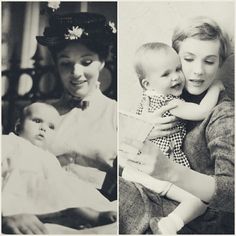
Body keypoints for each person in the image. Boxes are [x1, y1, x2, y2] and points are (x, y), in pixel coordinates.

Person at [119, 16, 234, 234]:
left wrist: (170, 171)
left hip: (189, 216)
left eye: (209, 61)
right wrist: (144, 130)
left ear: (220, 64)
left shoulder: (223, 115)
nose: (197, 71)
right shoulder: (167, 95)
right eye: (188, 60)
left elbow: (231, 191)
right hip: (146, 188)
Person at [2, 102, 116, 234]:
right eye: (37, 121)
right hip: (18, 189)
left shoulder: (48, 157)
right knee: (45, 184)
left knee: (69, 184)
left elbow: (60, 179)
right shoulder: (9, 141)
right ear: (18, 125)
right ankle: (87, 214)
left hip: (45, 196)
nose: (43, 128)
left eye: (51, 127)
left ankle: (75, 213)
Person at [36, 12, 117, 197]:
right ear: (56, 65)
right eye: (66, 63)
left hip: (102, 210)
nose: (76, 72)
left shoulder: (115, 114)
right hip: (44, 205)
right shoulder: (40, 113)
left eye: (86, 62)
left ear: (102, 62)